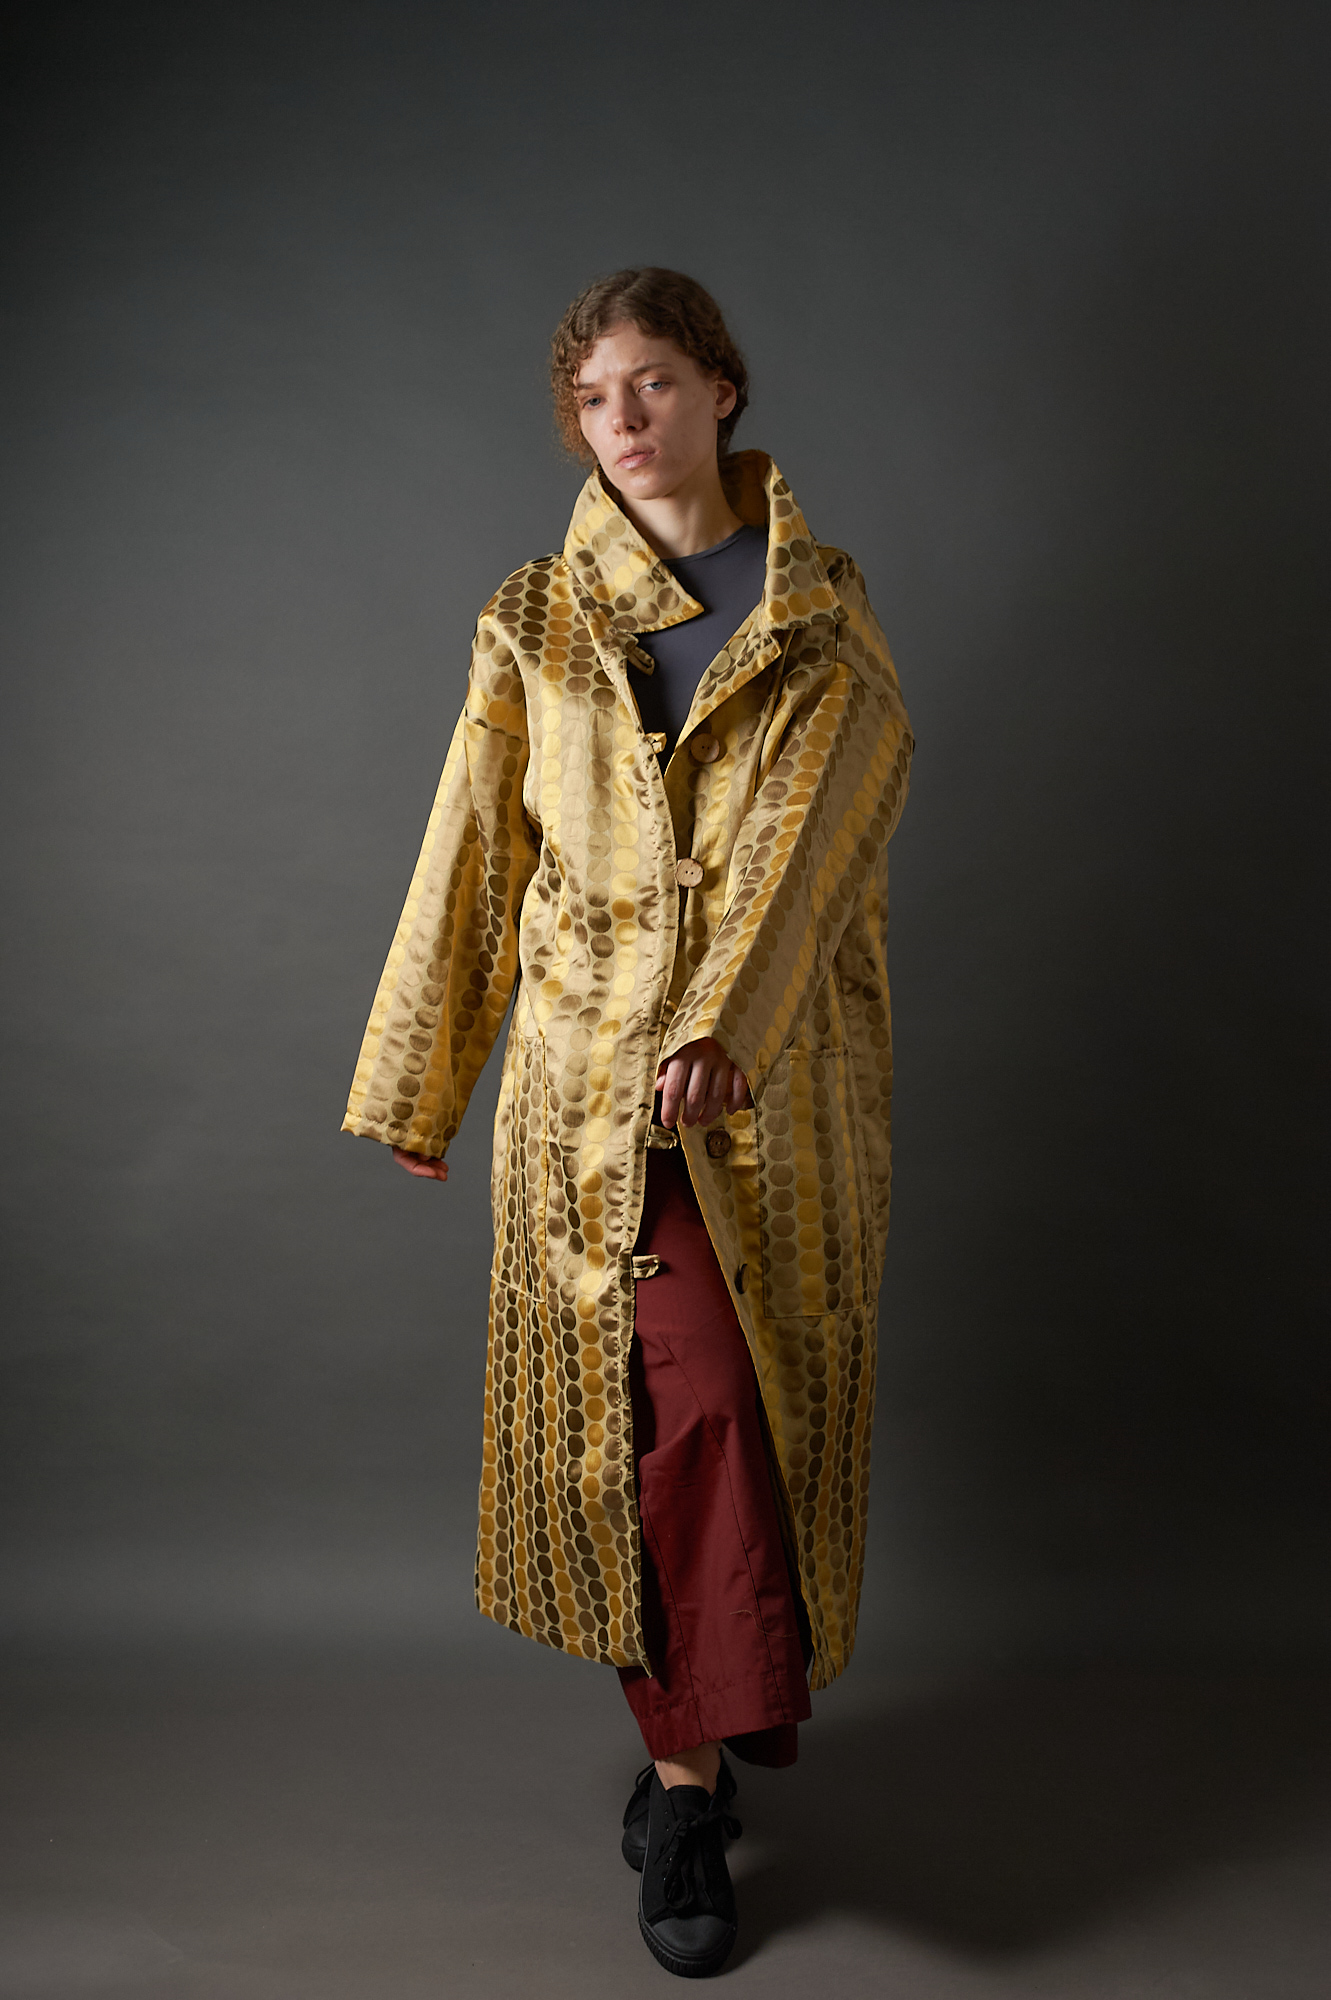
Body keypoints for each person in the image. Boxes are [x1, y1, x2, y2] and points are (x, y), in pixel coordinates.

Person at [343, 267, 912, 1977]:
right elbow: (477, 846)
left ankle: (699, 1750)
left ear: (721, 386)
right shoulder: (534, 617)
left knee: (728, 1410)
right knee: (648, 1418)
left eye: (652, 381)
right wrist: (425, 1078)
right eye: (593, 399)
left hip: (767, 1097)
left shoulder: (819, 610)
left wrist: (732, 1020)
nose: (625, 420)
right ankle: (683, 1795)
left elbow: (825, 834)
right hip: (585, 1097)